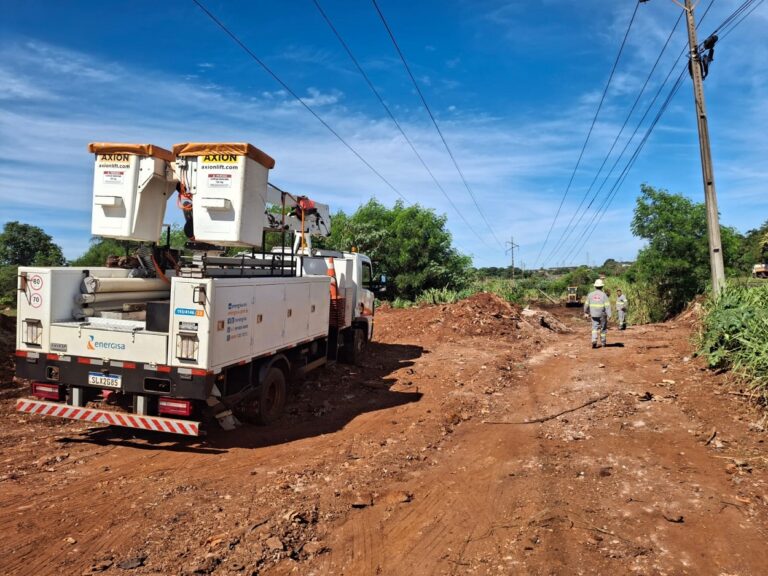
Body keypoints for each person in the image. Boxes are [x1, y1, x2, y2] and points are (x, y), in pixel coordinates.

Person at [584, 279, 611, 349]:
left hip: (593, 314)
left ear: (595, 286)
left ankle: (594, 340)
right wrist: (609, 315)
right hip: (602, 314)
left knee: (594, 328)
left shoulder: (590, 295)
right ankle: (603, 343)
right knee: (603, 329)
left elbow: (586, 305)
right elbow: (607, 306)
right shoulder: (604, 295)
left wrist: (586, 312)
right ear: (602, 286)